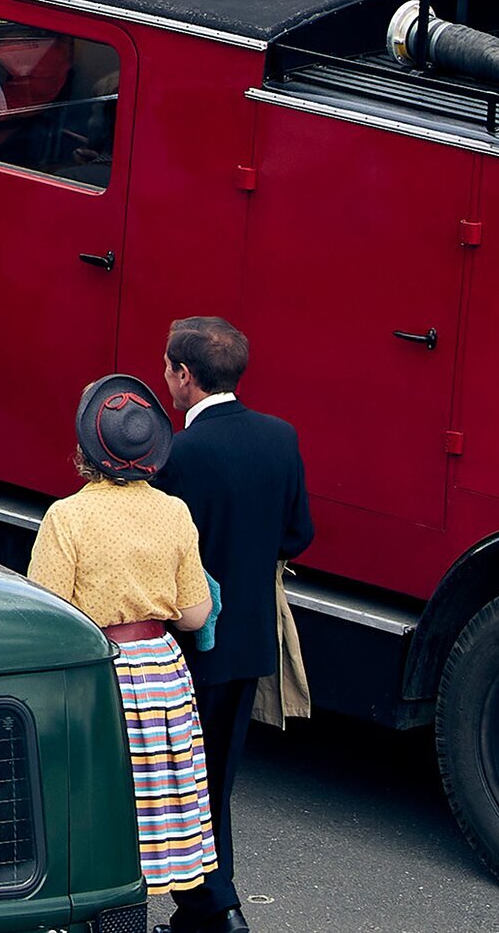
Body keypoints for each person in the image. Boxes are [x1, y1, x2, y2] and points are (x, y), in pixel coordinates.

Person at [27, 374, 222, 916]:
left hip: (99, 672)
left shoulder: (67, 516)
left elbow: (49, 616)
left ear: (87, 447)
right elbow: (195, 614)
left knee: (99, 802)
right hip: (160, 671)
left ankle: (104, 914)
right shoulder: (174, 512)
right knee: (153, 800)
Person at [156, 316, 315, 933]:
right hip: (249, 640)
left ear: (185, 375)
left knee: (175, 777)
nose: (165, 379)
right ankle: (211, 905)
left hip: (190, 641)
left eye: (168, 368)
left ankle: (215, 906)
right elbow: (298, 535)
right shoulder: (281, 436)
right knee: (216, 778)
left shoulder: (181, 452)